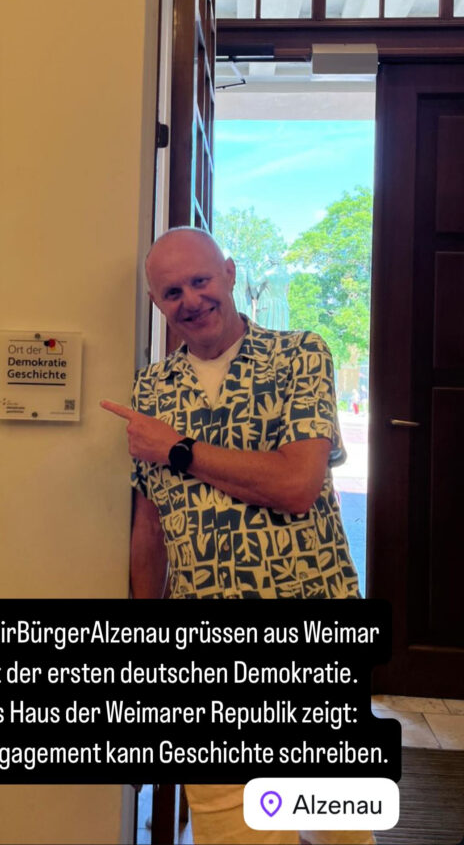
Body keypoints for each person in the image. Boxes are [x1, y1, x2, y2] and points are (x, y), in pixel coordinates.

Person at [101, 227, 374, 845]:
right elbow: (151, 522)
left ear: (228, 273)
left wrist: (177, 448)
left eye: (200, 281)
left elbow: (297, 485)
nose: (191, 301)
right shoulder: (151, 391)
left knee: (341, 830)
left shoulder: (300, 354)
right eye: (172, 292)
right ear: (156, 303)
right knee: (233, 828)